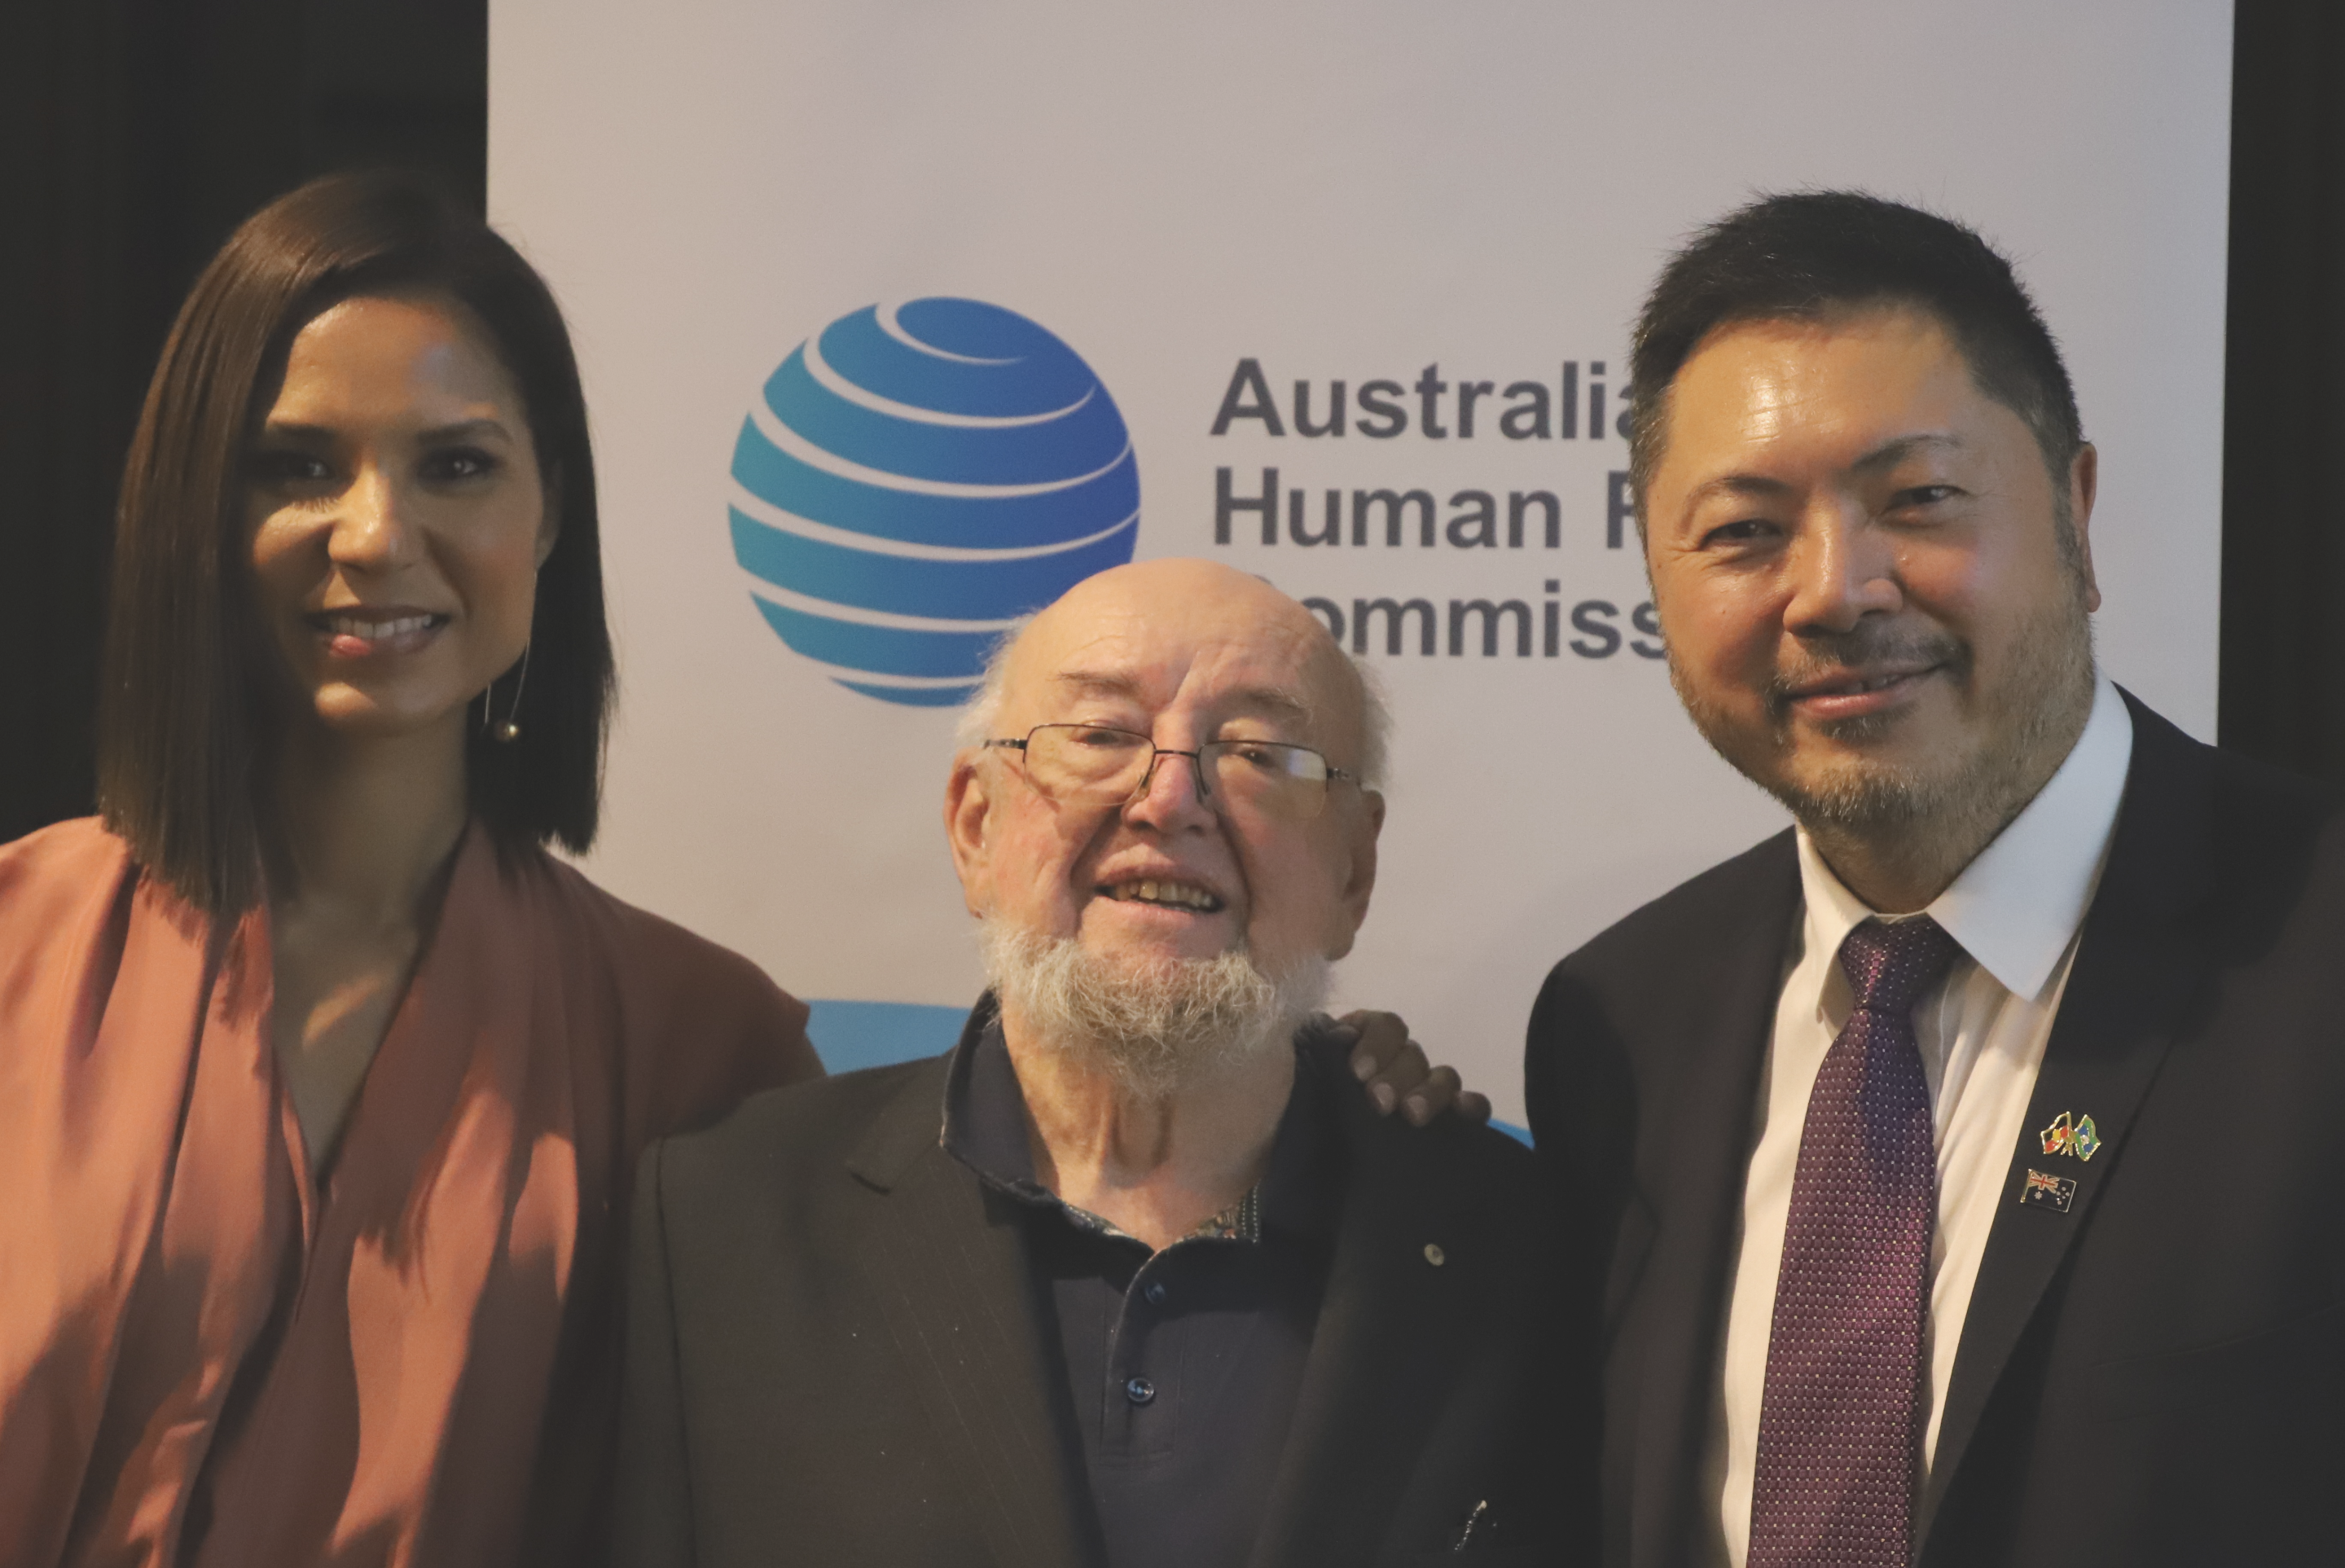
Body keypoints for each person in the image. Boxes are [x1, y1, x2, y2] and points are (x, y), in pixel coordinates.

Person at [0, 173, 1459, 1568]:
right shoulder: (18, 951)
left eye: (456, 464)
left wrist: (1312, 1084)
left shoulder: (697, 1045)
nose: (376, 534)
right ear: (192, 505)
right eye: (297, 464)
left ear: (550, 517)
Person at [1524, 190, 2345, 1566]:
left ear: (2075, 511)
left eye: (1920, 499)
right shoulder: (1622, 1025)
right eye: (1742, 532)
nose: (1835, 591)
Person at [613, 558, 1595, 1566]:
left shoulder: (1519, 1253)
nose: (1171, 799)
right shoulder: (715, 1220)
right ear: (975, 825)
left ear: (1355, 868)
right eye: (1099, 736)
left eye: (1260, 751)